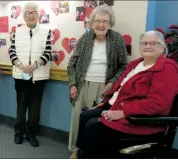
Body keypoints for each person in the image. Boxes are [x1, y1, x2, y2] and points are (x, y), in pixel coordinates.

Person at [74, 30, 178, 158]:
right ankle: (81, 154)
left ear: (162, 47)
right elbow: (120, 91)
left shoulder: (167, 67)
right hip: (118, 107)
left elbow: (157, 103)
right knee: (86, 115)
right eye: (144, 43)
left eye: (153, 43)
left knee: (93, 126)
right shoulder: (135, 64)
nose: (148, 46)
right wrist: (104, 103)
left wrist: (123, 112)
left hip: (140, 120)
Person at [67, 5, 128, 158]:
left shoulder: (117, 39)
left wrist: (112, 82)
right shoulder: (85, 38)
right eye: (98, 21)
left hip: (105, 87)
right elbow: (72, 64)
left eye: (105, 21)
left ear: (110, 23)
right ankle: (75, 149)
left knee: (98, 120)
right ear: (92, 22)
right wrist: (73, 84)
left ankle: (90, 151)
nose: (101, 25)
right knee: (77, 118)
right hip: (82, 84)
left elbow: (123, 66)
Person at [9, 2, 52, 147]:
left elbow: (47, 53)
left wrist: (34, 65)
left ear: (38, 15)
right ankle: (19, 132)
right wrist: (21, 66)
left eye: (34, 12)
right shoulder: (17, 31)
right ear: (24, 15)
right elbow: (12, 52)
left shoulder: (46, 31)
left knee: (35, 108)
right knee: (21, 106)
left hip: (38, 77)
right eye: (28, 12)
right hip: (20, 76)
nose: (31, 15)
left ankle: (31, 133)